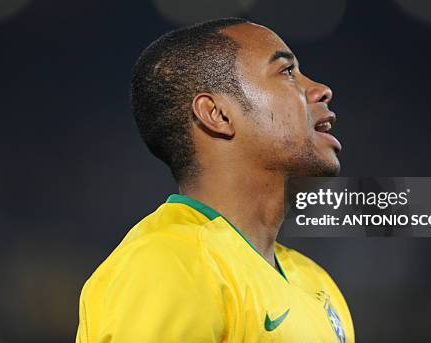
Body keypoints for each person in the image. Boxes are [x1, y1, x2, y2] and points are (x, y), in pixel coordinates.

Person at [75, 18, 354, 342]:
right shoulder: (170, 264)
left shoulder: (317, 284)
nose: (321, 91)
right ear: (218, 114)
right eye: (287, 73)